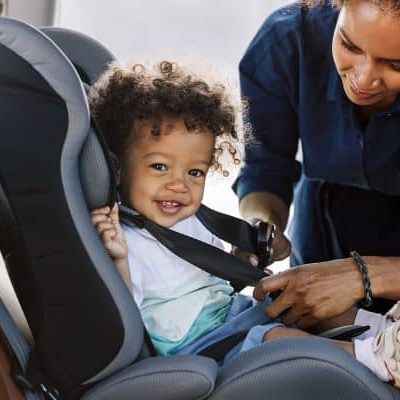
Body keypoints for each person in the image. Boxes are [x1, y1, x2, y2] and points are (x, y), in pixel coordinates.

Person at [233, 0, 400, 386]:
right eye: (349, 45)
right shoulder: (287, 41)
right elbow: (265, 171)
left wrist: (362, 276)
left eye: (395, 65)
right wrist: (259, 227)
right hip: (322, 230)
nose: (363, 79)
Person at [88, 60, 290, 362]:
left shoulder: (194, 220)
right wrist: (118, 259)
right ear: (117, 169)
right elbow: (125, 320)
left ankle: (377, 340)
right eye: (159, 167)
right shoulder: (126, 241)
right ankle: (367, 355)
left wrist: (244, 257)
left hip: (231, 317)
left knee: (308, 303)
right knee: (279, 339)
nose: (178, 184)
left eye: (195, 172)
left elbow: (215, 284)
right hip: (199, 343)